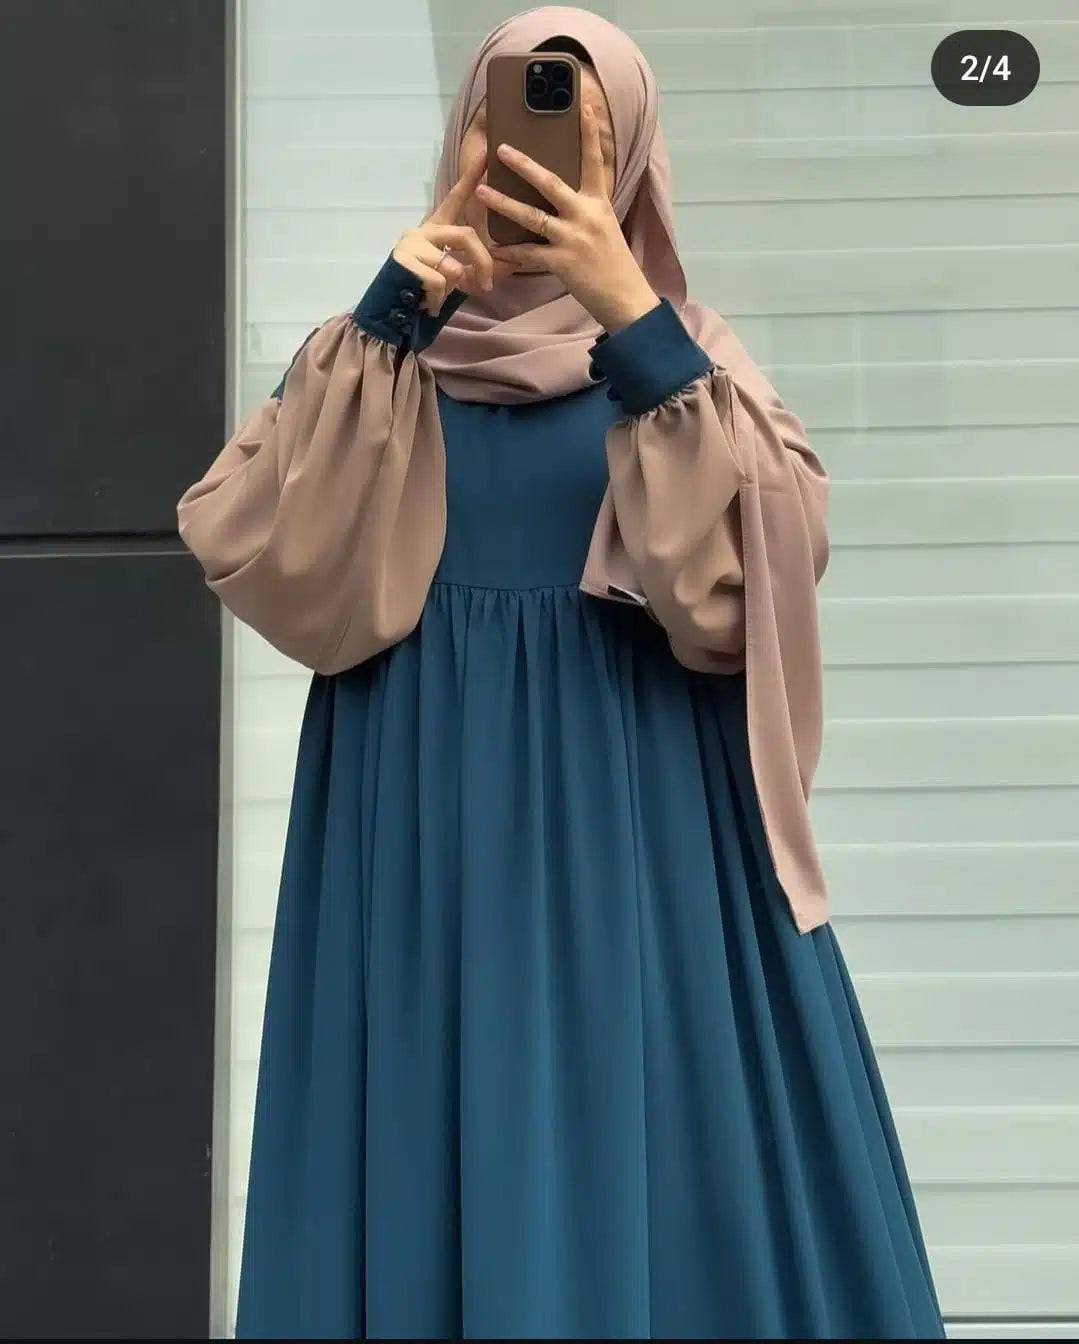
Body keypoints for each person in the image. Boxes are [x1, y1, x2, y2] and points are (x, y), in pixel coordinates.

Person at [178, 7, 946, 1339]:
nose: (534, 164)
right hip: (423, 836)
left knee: (663, 1159)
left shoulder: (686, 362)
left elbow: (748, 585)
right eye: (510, 122)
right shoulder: (377, 365)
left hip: (643, 835)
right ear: (464, 141)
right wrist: (394, 306)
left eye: (578, 134)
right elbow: (257, 545)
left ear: (629, 154)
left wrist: (628, 315)